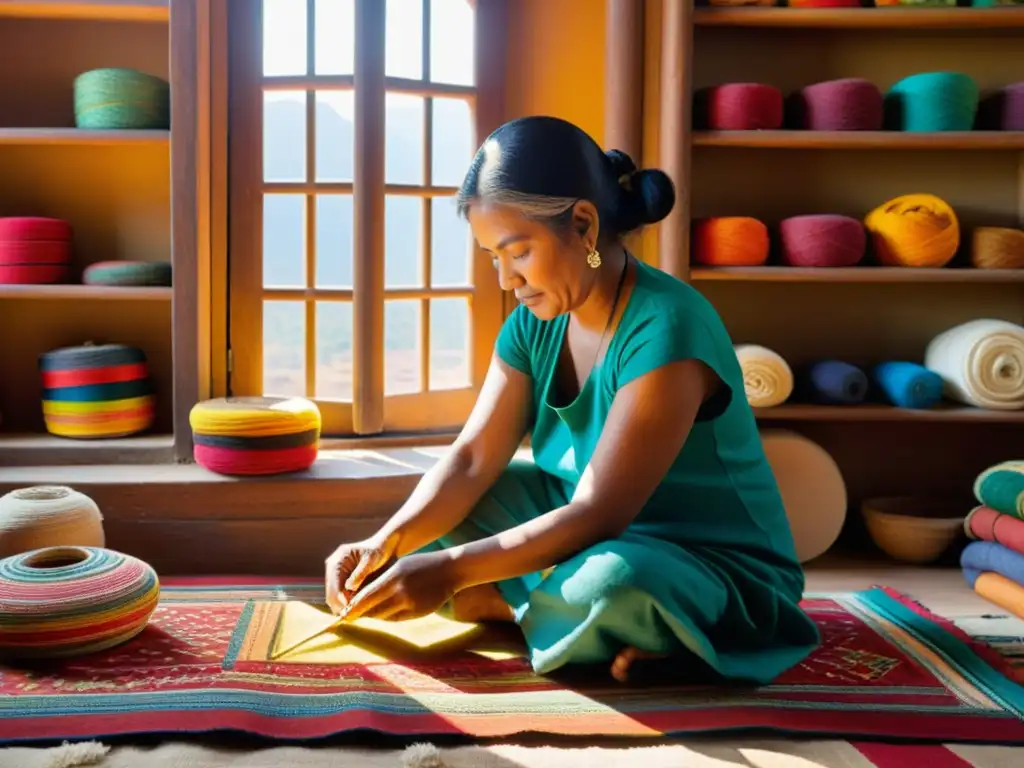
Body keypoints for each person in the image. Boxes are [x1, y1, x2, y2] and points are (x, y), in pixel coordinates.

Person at [325, 115, 820, 684]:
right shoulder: (532, 325)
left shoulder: (668, 327)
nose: (507, 279)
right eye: (493, 257)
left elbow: (600, 512)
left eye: (518, 252)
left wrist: (454, 571)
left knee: (612, 583)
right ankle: (567, 616)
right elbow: (470, 460)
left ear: (583, 225)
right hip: (584, 527)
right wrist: (381, 542)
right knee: (456, 511)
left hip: (701, 561)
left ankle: (534, 606)